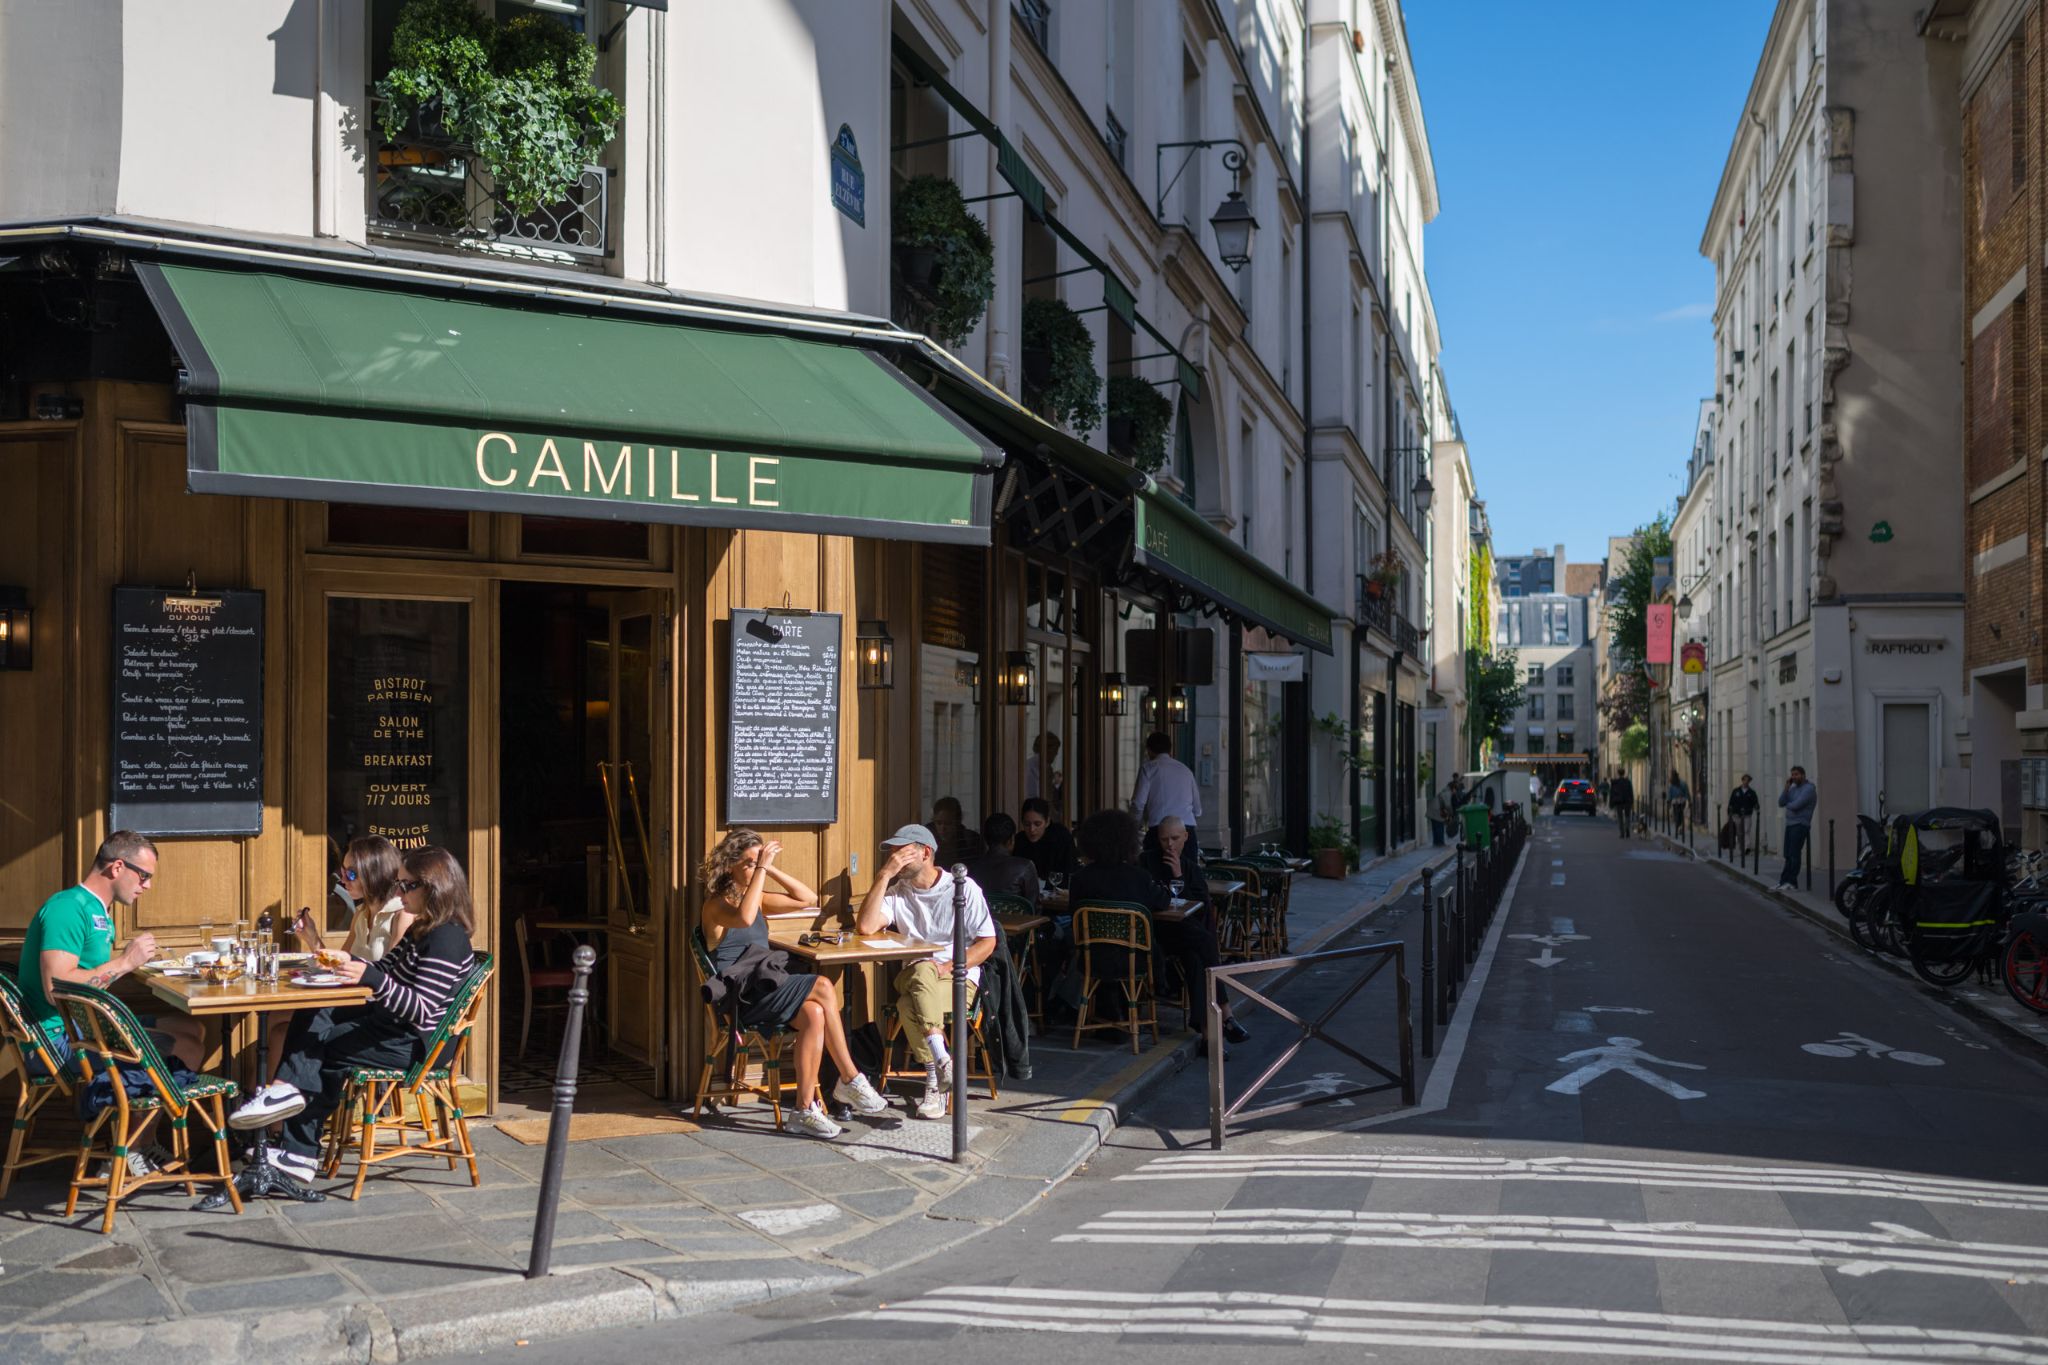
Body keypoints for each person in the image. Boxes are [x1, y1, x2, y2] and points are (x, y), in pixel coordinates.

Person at [229, 846, 479, 1185]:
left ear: (433, 888)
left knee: (321, 1047)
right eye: (399, 884)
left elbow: (421, 1008)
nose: (399, 891)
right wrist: (344, 963)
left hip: (417, 1043)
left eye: (407, 886)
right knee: (315, 1010)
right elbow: (382, 968)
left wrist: (368, 977)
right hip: (392, 1027)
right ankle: (291, 1120)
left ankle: (296, 1142)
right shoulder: (423, 930)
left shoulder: (447, 939)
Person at [693, 831, 888, 1138]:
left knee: (815, 1014)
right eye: (748, 863)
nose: (755, 868)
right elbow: (744, 919)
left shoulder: (757, 899)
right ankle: (850, 1079)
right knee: (822, 985)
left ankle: (804, 1110)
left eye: (758, 862)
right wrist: (761, 868)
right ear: (729, 865)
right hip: (741, 997)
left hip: (765, 987)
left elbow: (807, 898)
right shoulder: (716, 905)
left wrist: (768, 868)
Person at [14, 831, 202, 1089]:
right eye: (144, 876)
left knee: (190, 1026)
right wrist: (125, 963)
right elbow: (55, 990)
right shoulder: (68, 908)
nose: (147, 886)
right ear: (117, 867)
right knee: (185, 1046)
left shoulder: (97, 910)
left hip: (85, 1028)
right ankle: (141, 1130)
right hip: (56, 1042)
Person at [857, 824, 998, 1119]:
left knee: (906, 1005)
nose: (895, 857)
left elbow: (987, 942)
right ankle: (942, 1058)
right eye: (892, 852)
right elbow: (866, 927)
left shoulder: (962, 888)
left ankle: (934, 1076)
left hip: (957, 978)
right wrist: (884, 874)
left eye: (901, 851)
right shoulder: (898, 892)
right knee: (922, 970)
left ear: (925, 852)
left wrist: (949, 966)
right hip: (917, 975)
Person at [1138, 814, 1249, 1050]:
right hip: (1157, 933)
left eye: (1175, 839)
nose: (1170, 844)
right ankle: (1227, 1014)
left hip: (1184, 935)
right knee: (1206, 943)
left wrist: (1178, 874)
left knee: (1197, 960)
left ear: (1186, 837)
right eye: (1164, 839)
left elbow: (1200, 907)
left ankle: (1208, 1037)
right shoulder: (1146, 862)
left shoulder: (1190, 867)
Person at [1131, 732, 1200, 842]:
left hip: (1160, 831)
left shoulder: (1148, 769)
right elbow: (1197, 810)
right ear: (1170, 750)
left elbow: (1138, 804)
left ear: (1149, 750)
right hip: (1186, 831)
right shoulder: (1185, 770)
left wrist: (1133, 826)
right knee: (1188, 860)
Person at [967, 813, 1041, 904]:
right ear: (1011, 840)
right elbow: (1034, 908)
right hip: (1017, 918)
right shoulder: (1025, 867)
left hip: (983, 918)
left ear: (986, 839)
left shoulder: (972, 868)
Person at [1016, 797, 1076, 886]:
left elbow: (1069, 872)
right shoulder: (1019, 840)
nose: (1032, 829)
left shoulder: (1061, 837)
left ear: (1047, 822)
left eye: (1037, 824)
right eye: (1027, 824)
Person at [1776, 766, 1817, 891]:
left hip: (1800, 824)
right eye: (1792, 775)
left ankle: (1792, 882)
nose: (1794, 777)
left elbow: (1796, 805)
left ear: (1803, 775)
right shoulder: (1792, 789)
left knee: (1794, 855)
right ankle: (1784, 881)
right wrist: (1786, 788)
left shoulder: (1809, 789)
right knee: (1788, 855)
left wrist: (1789, 806)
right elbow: (1781, 802)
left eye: (1796, 774)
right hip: (1790, 824)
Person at [929, 796, 984, 869]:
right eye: (939, 823)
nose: (943, 828)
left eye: (948, 823)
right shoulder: (927, 841)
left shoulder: (970, 841)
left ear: (957, 822)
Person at [1024, 731, 1065, 812]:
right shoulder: (1034, 767)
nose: (1056, 754)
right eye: (1055, 750)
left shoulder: (1043, 766)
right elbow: (1036, 796)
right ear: (1047, 749)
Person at [1728, 774, 1760, 856]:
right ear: (1742, 780)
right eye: (1745, 780)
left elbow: (1755, 803)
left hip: (1747, 815)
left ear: (1749, 782)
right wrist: (1729, 812)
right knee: (1739, 832)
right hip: (1737, 815)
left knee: (1746, 831)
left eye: (1748, 780)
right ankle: (1741, 847)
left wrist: (1756, 807)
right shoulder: (1736, 791)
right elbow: (1731, 802)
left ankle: (1747, 847)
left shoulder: (1752, 793)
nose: (1746, 782)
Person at [1608, 769, 1635, 839]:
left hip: (1618, 802)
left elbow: (1612, 794)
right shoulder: (1628, 782)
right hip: (1627, 801)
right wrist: (1632, 802)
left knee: (1620, 818)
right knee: (1627, 816)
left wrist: (1611, 803)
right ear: (1624, 773)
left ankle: (1622, 833)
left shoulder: (1615, 782)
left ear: (1618, 774)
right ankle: (1627, 829)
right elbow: (1631, 792)